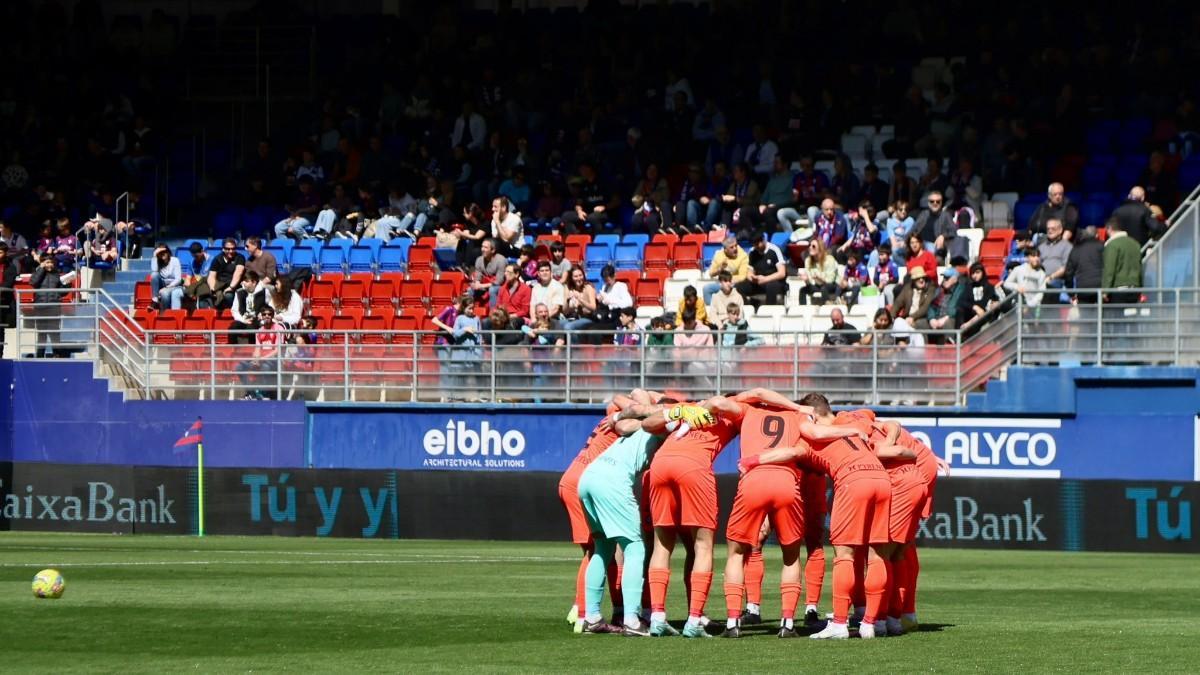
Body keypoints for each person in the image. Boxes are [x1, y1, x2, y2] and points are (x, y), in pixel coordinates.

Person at [748, 393, 914, 639]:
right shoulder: (854, 425)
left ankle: (838, 624)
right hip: (881, 480)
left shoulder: (809, 437)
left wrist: (754, 459)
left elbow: (790, 452)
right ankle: (872, 623)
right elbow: (895, 435)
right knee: (878, 554)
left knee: (844, 555)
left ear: (810, 415)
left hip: (852, 480)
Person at [723, 395, 862, 638]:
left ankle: (735, 621)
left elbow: (730, 400)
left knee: (740, 550)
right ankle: (787, 620)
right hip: (790, 483)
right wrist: (854, 431)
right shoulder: (802, 417)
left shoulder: (750, 412)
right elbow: (810, 440)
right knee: (792, 552)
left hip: (764, 480)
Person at [639, 394, 742, 637]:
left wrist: (681, 412)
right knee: (703, 546)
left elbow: (647, 424)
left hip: (661, 465)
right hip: (694, 466)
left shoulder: (689, 407)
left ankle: (657, 617)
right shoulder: (733, 416)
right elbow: (646, 423)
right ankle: (695, 619)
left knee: (661, 545)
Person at [575, 402, 668, 636]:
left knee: (602, 547)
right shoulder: (665, 425)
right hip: (613, 481)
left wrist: (620, 415)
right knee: (635, 548)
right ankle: (631, 620)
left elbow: (629, 418)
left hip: (589, 477)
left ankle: (592, 617)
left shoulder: (635, 425)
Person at [559, 393, 642, 628]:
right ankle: (584, 612)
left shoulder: (610, 415)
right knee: (598, 549)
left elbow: (619, 400)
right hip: (584, 479)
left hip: (575, 477)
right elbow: (635, 409)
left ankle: (592, 610)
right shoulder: (621, 421)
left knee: (602, 548)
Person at [236, 305, 284, 400]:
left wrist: (262, 359)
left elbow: (278, 350)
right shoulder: (259, 331)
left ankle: (266, 394)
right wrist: (255, 359)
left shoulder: (278, 329)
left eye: (269, 314)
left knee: (265, 367)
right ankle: (250, 393)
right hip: (261, 359)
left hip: (275, 360)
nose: (267, 316)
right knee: (239, 367)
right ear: (261, 316)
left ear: (272, 316)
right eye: (264, 314)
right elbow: (257, 348)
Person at [431, 295, 473, 400]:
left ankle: (454, 394)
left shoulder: (462, 314)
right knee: (445, 368)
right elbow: (434, 320)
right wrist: (447, 328)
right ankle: (445, 396)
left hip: (455, 343)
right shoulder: (449, 309)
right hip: (443, 342)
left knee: (454, 369)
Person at [29, 254, 64, 357]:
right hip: (40, 306)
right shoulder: (37, 272)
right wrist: (41, 269)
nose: (50, 265)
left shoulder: (57, 274)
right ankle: (40, 354)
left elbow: (62, 292)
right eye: (47, 262)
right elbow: (33, 283)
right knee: (42, 332)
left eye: (51, 262)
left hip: (54, 305)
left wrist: (67, 285)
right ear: (42, 263)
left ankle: (57, 354)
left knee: (55, 332)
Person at [735, 236, 787, 307]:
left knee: (771, 286)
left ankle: (769, 310)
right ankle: (749, 307)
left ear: (763, 241)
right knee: (740, 287)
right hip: (758, 281)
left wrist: (765, 279)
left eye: (758, 243)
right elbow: (749, 271)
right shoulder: (752, 252)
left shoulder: (774, 250)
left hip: (773, 280)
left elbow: (782, 273)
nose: (757, 246)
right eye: (755, 244)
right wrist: (752, 278)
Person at [1101, 219, 1143, 305]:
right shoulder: (1135, 244)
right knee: (1132, 316)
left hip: (1118, 289)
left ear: (1109, 229)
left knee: (1117, 317)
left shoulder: (1112, 245)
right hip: (1135, 288)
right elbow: (1139, 267)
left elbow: (1109, 270)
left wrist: (1105, 291)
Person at [702, 236, 749, 306]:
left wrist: (728, 281)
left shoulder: (743, 255)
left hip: (735, 284)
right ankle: (714, 310)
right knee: (707, 289)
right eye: (731, 247)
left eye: (736, 245)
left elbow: (743, 276)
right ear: (725, 249)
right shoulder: (719, 254)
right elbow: (711, 273)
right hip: (721, 284)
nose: (735, 248)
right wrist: (720, 269)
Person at [1065, 225, 1105, 303]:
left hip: (1083, 288)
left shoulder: (1076, 249)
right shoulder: (1102, 246)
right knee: (1101, 314)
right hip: (1100, 288)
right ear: (1097, 235)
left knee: (1085, 314)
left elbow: (1069, 272)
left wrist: (1070, 292)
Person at [1037, 218, 1073, 302]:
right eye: (1048, 229)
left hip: (1058, 281)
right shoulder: (1041, 247)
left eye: (1053, 228)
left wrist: (1051, 277)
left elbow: (1065, 268)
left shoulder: (1067, 246)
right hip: (1041, 280)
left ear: (1060, 230)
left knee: (1050, 286)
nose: (1050, 231)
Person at [206, 238, 247, 310]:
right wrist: (213, 289)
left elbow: (238, 273)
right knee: (205, 297)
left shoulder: (240, 258)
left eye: (233, 249)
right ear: (223, 249)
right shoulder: (217, 259)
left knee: (228, 296)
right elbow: (211, 276)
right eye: (228, 249)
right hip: (220, 285)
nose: (230, 251)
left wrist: (231, 287)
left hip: (234, 287)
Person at [229, 270, 268, 345]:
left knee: (252, 329)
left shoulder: (264, 292)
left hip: (257, 320)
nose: (243, 283)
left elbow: (270, 306)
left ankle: (254, 351)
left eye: (246, 281)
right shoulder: (239, 292)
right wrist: (243, 320)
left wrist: (262, 315)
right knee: (233, 327)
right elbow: (235, 310)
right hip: (244, 319)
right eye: (243, 281)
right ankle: (233, 350)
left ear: (254, 283)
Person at [561, 265, 598, 335]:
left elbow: (593, 307)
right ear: (571, 278)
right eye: (575, 276)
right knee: (559, 324)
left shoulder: (588, 287)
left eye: (580, 275)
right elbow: (565, 312)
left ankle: (574, 346)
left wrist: (580, 300)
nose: (579, 278)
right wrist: (567, 300)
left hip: (588, 318)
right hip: (572, 318)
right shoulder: (568, 288)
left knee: (568, 327)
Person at [800, 238, 838, 305]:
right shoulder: (808, 261)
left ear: (820, 248)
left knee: (824, 288)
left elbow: (830, 280)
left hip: (830, 285)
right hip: (817, 285)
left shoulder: (829, 259)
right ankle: (802, 309)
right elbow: (810, 282)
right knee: (803, 290)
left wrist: (820, 278)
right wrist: (806, 280)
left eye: (813, 246)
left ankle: (827, 307)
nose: (810, 248)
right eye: (810, 246)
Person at [471, 238, 506, 305]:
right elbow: (478, 275)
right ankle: (470, 311)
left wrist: (481, 286)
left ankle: (493, 312)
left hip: (500, 285)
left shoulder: (501, 260)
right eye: (482, 246)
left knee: (492, 290)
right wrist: (477, 284)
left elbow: (499, 281)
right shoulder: (479, 260)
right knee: (471, 290)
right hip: (485, 283)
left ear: (493, 250)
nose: (482, 249)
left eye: (486, 247)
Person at [150, 245, 184, 310]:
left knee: (164, 293)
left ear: (168, 252)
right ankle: (155, 300)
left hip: (174, 285)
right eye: (159, 253)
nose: (162, 254)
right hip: (163, 284)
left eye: (164, 252)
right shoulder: (158, 262)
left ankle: (165, 312)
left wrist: (167, 288)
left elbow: (178, 279)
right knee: (154, 274)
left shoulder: (175, 260)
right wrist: (154, 256)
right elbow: (154, 271)